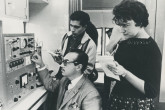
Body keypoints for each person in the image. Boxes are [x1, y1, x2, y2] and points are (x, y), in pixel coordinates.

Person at [105, 1, 162, 110]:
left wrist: (125, 73)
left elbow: (151, 91)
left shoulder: (151, 48)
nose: (121, 30)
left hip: (136, 104)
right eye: (120, 25)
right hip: (116, 100)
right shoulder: (124, 42)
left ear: (140, 22)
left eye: (126, 25)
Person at [31, 49, 102, 110]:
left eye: (65, 62)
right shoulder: (64, 80)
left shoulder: (91, 94)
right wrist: (41, 64)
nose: (61, 65)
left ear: (78, 67)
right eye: (62, 62)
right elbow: (50, 85)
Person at [53, 11, 97, 80]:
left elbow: (88, 69)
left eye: (76, 27)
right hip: (62, 75)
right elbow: (64, 60)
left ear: (85, 27)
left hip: (75, 80)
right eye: (71, 25)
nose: (72, 29)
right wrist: (59, 60)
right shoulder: (66, 36)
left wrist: (72, 81)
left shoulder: (90, 44)